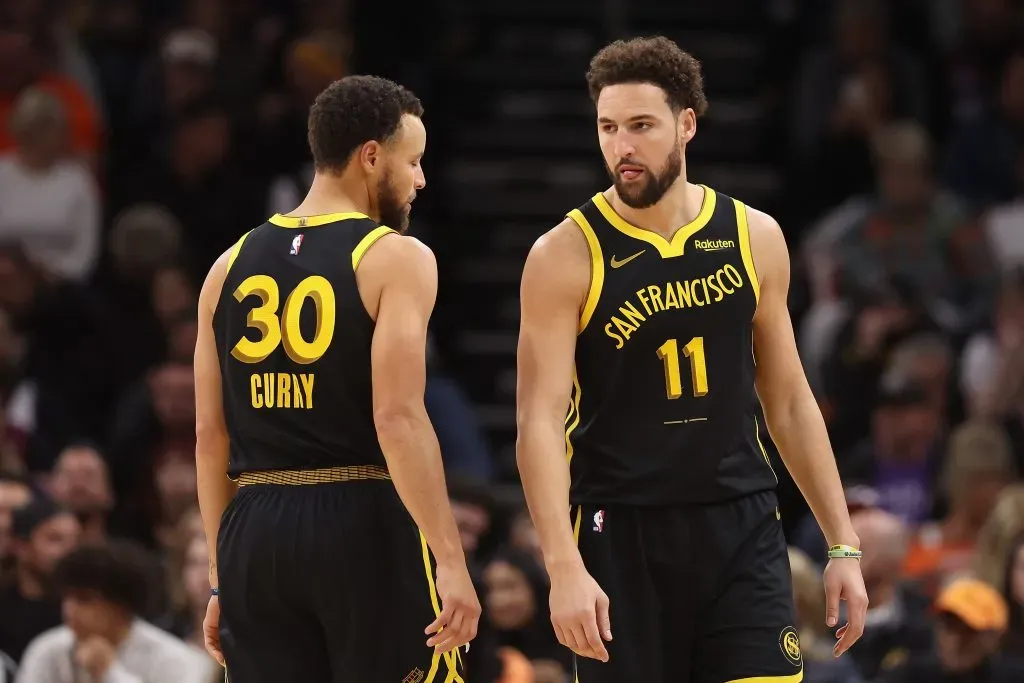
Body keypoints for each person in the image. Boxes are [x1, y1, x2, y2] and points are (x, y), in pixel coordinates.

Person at [515, 36, 869, 683]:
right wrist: (563, 564)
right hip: (621, 527)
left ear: (687, 123)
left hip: (740, 521)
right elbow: (538, 420)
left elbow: (788, 398)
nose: (622, 146)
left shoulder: (753, 236)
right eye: (608, 127)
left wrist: (842, 542)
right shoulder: (563, 254)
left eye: (641, 126)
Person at [194, 75, 479, 683]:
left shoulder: (227, 266)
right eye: (414, 161)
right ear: (371, 157)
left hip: (255, 526)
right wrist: (451, 561)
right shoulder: (396, 256)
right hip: (359, 514)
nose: (421, 179)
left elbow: (208, 436)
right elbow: (398, 417)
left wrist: (221, 576)